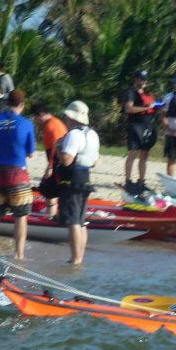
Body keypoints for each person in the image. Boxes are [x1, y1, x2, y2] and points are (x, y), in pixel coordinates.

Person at [0, 89, 35, 261]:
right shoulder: (26, 123)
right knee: (20, 216)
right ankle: (19, 254)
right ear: (22, 104)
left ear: (7, 103)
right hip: (17, 173)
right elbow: (30, 152)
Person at [52, 100, 100, 265]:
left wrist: (58, 147)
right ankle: (80, 258)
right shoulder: (92, 134)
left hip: (71, 180)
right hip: (85, 178)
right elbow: (94, 161)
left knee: (73, 221)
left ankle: (75, 259)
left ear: (72, 118)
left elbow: (66, 160)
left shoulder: (74, 134)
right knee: (81, 221)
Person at [121, 69, 158, 192]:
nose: (144, 81)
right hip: (135, 126)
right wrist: (145, 108)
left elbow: (152, 107)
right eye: (141, 79)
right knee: (132, 153)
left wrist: (157, 107)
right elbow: (128, 109)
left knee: (144, 155)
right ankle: (128, 181)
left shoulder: (148, 93)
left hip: (147, 126)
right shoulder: (131, 93)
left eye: (145, 79)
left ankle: (141, 181)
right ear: (136, 79)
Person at [32, 103, 67, 216]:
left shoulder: (51, 125)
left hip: (58, 162)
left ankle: (50, 216)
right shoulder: (54, 122)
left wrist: (50, 167)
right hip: (58, 161)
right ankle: (53, 214)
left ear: (41, 114)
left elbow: (56, 147)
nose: (35, 120)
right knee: (50, 190)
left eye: (35, 117)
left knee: (48, 190)